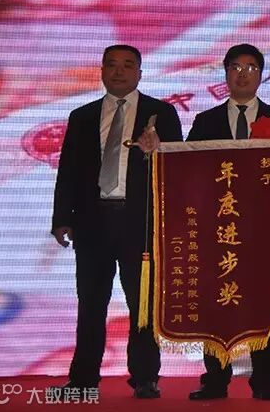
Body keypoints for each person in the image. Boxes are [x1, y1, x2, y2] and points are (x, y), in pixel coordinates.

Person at [51, 44, 183, 399]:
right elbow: (68, 171)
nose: (119, 72)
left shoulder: (162, 113)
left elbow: (179, 168)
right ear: (102, 71)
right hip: (92, 223)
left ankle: (145, 377)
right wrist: (62, 217)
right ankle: (82, 379)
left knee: (142, 304)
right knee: (91, 304)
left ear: (140, 73)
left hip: (140, 224)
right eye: (112, 65)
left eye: (127, 65)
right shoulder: (82, 116)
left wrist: (158, 150)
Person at [186, 43, 270, 401]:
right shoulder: (206, 121)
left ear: (261, 75)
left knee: (263, 302)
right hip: (218, 225)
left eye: (251, 68)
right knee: (216, 301)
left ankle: (264, 380)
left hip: (263, 226)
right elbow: (187, 166)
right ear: (226, 74)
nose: (243, 74)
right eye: (236, 68)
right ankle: (215, 379)